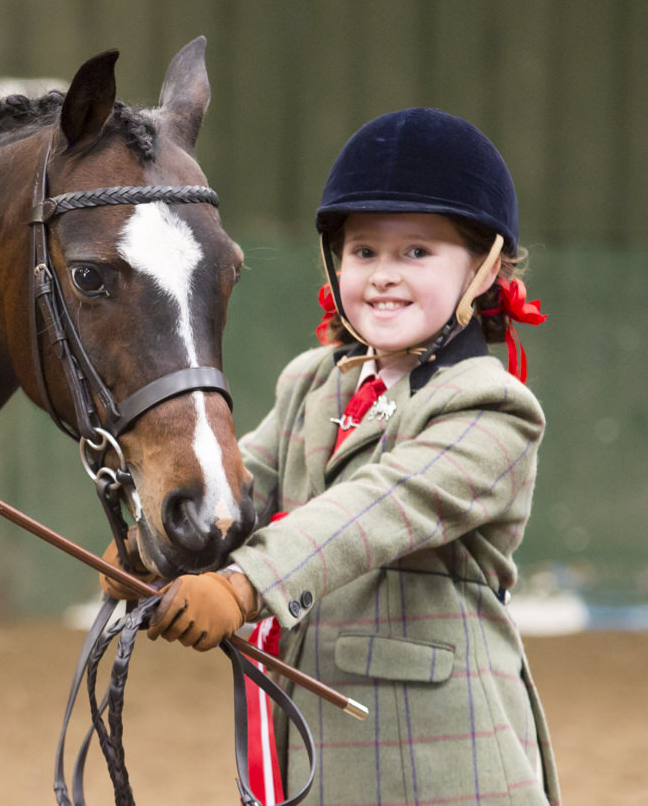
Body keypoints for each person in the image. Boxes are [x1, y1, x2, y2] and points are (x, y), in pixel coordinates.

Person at [105, 108, 559, 805]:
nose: (382, 275)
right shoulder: (312, 382)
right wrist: (154, 545)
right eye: (363, 251)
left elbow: (372, 509)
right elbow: (241, 490)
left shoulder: (491, 407)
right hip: (315, 766)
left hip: (445, 770)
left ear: (485, 265)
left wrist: (240, 585)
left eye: (416, 253)